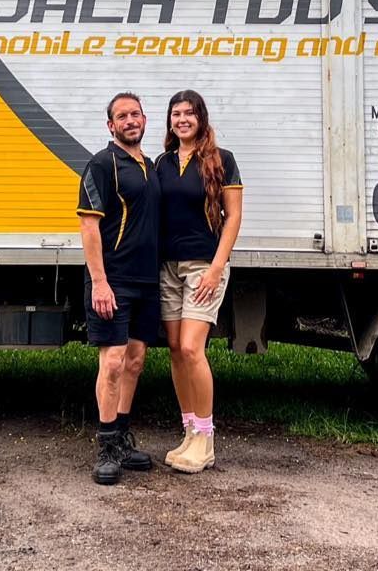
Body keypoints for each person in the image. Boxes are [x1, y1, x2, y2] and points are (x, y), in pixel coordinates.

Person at [155, 90, 243, 473]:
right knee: (175, 349)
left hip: (203, 267)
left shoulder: (221, 161)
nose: (182, 119)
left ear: (201, 118)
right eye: (176, 114)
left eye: (189, 113)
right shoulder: (162, 162)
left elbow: (233, 217)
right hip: (168, 268)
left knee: (192, 349)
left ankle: (206, 441)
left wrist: (216, 268)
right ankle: (189, 432)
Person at [77, 91, 161, 485]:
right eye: (122, 116)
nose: (130, 120)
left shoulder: (151, 167)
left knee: (135, 360)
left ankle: (124, 438)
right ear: (111, 126)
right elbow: (89, 225)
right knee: (111, 361)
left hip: (147, 280)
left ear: (145, 120)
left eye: (136, 114)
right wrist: (99, 282)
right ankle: (107, 446)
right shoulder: (102, 164)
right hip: (113, 281)